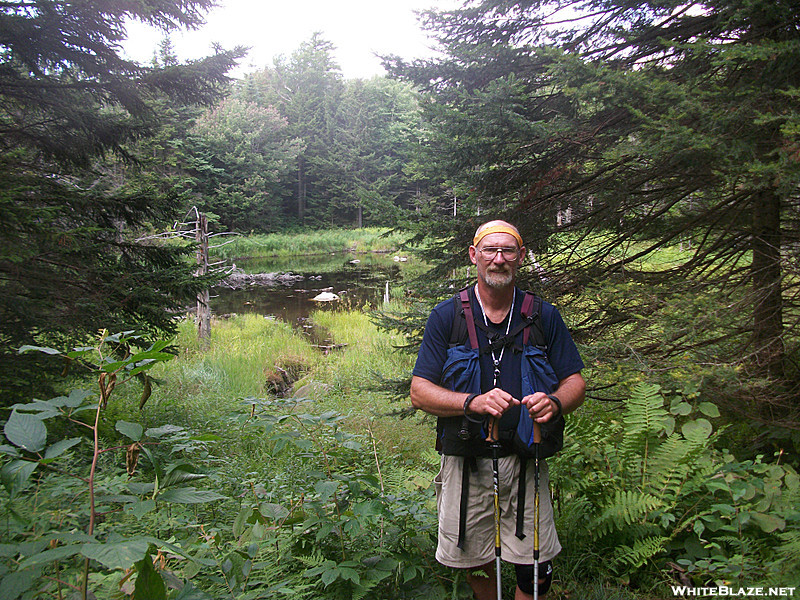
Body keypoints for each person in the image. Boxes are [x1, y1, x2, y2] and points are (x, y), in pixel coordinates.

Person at [411, 220, 586, 600]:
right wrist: (470, 402)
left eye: (508, 251)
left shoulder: (542, 316)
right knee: (473, 558)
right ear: (474, 256)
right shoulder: (447, 316)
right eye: (490, 250)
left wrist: (555, 402)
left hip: (526, 458)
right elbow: (419, 392)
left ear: (520, 257)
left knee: (535, 570)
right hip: (466, 458)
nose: (499, 259)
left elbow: (575, 382)